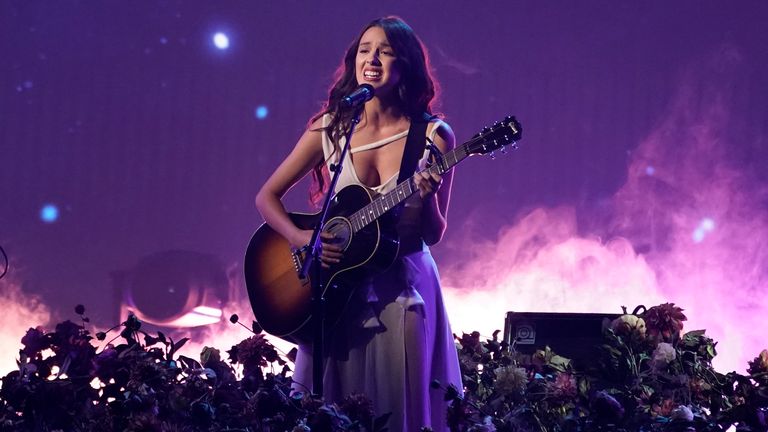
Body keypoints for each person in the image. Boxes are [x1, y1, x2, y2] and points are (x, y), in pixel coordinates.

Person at [255, 16, 462, 431]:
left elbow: (434, 234)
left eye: (385, 51)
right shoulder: (332, 128)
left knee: (398, 408)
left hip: (401, 289)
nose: (372, 58)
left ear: (404, 64)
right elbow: (266, 197)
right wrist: (303, 238)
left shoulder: (433, 136)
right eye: (365, 50)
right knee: (328, 410)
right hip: (335, 290)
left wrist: (423, 200)